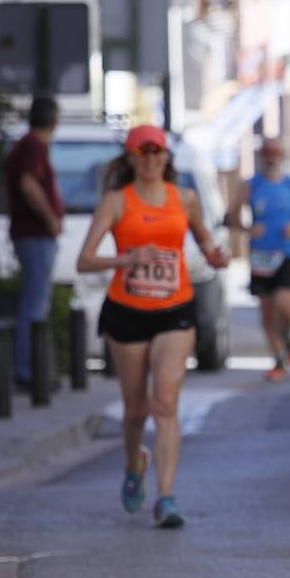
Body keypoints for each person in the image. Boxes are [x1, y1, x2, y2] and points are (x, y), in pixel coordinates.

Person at [76, 124, 229, 528]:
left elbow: (205, 243)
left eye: (156, 151)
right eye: (141, 152)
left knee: (164, 403)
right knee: (134, 410)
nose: (149, 158)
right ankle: (132, 464)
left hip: (174, 310)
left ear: (166, 157)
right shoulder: (116, 201)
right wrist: (125, 260)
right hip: (126, 311)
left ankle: (166, 497)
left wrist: (216, 256)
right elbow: (84, 260)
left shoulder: (186, 199)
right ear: (130, 158)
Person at [227, 138, 290, 381]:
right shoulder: (251, 185)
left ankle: (289, 339)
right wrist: (246, 229)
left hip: (285, 253)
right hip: (260, 255)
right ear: (261, 155)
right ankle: (278, 359)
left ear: (282, 154)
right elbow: (230, 215)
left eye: (275, 151)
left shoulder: (289, 183)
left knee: (284, 305)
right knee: (266, 310)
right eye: (267, 152)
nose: (271, 155)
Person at [5, 94, 65, 390]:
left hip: (31, 234)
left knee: (34, 302)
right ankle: (28, 372)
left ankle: (30, 369)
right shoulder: (33, 146)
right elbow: (28, 183)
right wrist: (50, 218)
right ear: (55, 120)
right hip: (35, 235)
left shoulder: (27, 144)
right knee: (35, 305)